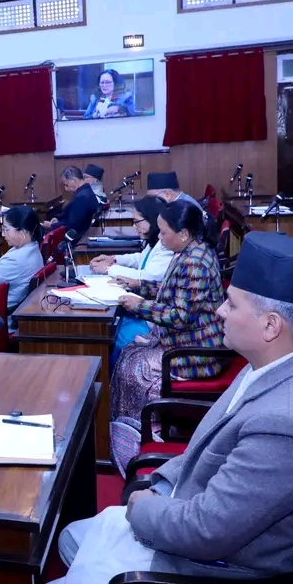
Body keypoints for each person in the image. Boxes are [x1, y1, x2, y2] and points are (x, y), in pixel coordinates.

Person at [36, 232, 293, 584]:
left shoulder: (289, 424)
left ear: (271, 325)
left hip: (226, 582)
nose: (219, 311)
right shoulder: (275, 363)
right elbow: (207, 450)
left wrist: (143, 508)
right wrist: (157, 489)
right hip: (198, 519)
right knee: (70, 539)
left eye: (231, 303)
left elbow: (206, 532)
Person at [109, 200, 225, 475]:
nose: (159, 237)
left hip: (197, 351)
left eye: (163, 232)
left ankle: (148, 437)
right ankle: (130, 433)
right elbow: (173, 289)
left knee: (134, 367)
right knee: (128, 354)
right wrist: (139, 285)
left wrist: (140, 306)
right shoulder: (190, 251)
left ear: (183, 233)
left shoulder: (194, 261)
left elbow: (181, 316)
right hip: (185, 340)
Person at [89, 196, 173, 361]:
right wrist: (114, 259)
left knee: (116, 336)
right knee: (112, 329)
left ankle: (109, 373)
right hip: (149, 307)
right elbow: (141, 259)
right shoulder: (155, 241)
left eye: (137, 222)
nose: (134, 227)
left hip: (157, 317)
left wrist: (108, 269)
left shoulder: (167, 246)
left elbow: (147, 276)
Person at [0, 206, 45, 315]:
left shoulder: (13, 261)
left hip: (2, 316)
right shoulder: (33, 247)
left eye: (6, 229)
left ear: (22, 232)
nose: (3, 234)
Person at [42, 167, 100, 238]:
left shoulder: (82, 197)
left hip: (74, 237)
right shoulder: (86, 192)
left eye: (66, 185)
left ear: (74, 180)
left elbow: (71, 225)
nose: (66, 189)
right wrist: (57, 219)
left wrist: (51, 225)